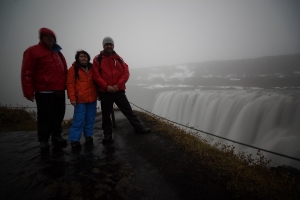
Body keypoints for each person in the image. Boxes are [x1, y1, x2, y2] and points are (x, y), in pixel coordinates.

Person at [93, 36, 151, 143]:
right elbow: (96, 75)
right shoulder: (98, 59)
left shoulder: (119, 58)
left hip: (118, 90)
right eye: (107, 44)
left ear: (113, 46)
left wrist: (117, 85)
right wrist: (106, 86)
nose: (109, 46)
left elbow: (126, 73)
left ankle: (139, 128)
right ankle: (107, 135)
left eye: (110, 44)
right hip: (105, 92)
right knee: (106, 115)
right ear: (103, 46)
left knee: (128, 111)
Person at [21, 27, 68, 149]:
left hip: (59, 90)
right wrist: (28, 92)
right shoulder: (32, 51)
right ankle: (44, 139)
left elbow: (65, 71)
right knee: (44, 116)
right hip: (43, 91)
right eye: (46, 36)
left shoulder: (58, 52)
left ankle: (57, 136)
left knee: (59, 114)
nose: (50, 39)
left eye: (52, 37)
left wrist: (69, 87)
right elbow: (27, 72)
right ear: (41, 38)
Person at [67, 50, 97, 149]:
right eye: (81, 56)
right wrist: (72, 98)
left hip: (92, 98)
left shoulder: (93, 68)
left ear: (88, 58)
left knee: (90, 119)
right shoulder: (73, 69)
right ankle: (75, 139)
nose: (83, 58)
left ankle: (88, 136)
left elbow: (96, 82)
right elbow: (70, 84)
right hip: (80, 100)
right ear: (77, 58)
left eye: (85, 56)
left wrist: (99, 94)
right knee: (78, 120)